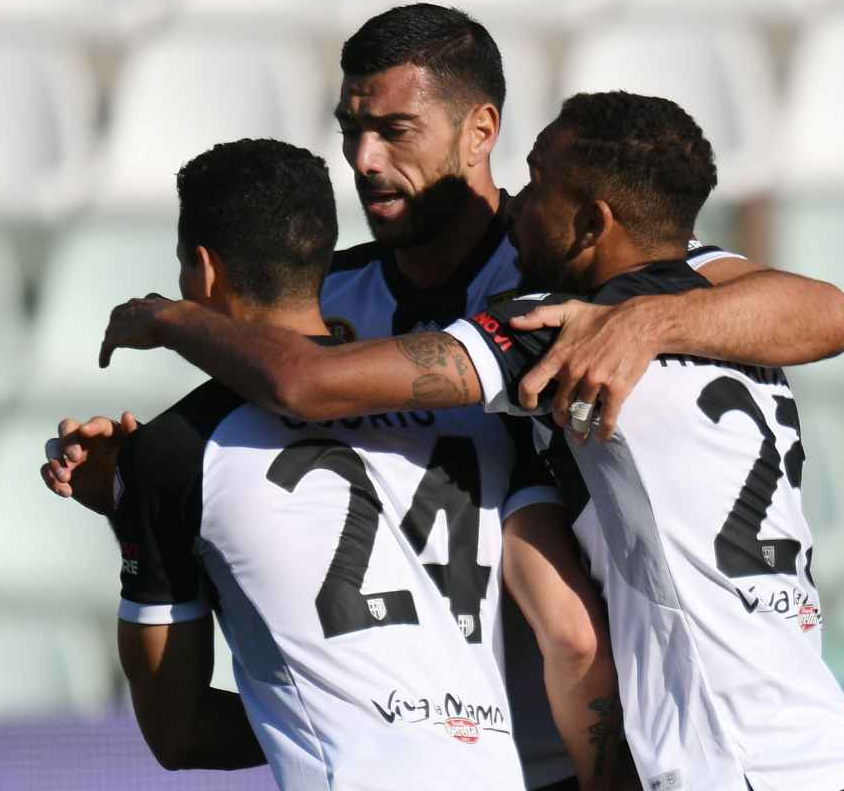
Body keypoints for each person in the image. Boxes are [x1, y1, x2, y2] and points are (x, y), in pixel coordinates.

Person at [46, 4, 844, 790]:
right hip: (460, 745)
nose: (364, 159)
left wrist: (645, 323)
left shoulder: (574, 275)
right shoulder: (324, 303)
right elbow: (267, 473)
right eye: (350, 130)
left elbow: (828, 312)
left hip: (605, 750)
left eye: (395, 130)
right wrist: (137, 483)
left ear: (480, 131)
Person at [97, 137, 552, 790]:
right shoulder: (476, 420)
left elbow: (179, 732)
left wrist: (128, 499)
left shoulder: (175, 448)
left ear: (204, 269)